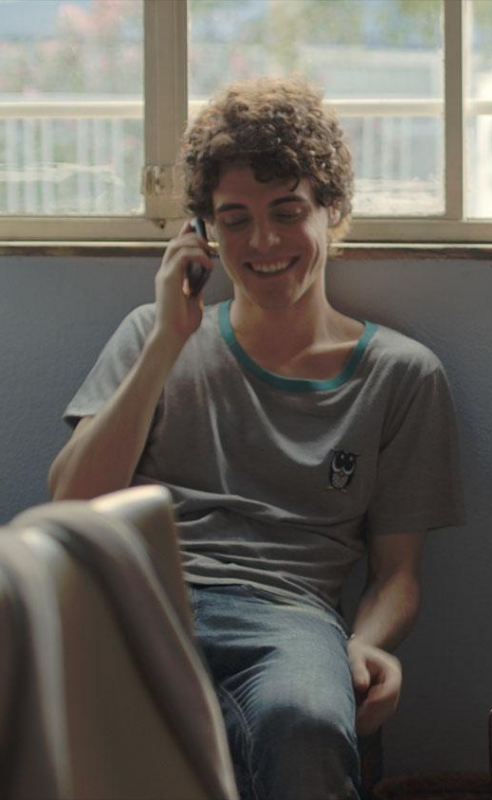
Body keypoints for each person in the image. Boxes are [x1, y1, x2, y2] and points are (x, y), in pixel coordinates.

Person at [48, 77, 464, 799]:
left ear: (332, 212)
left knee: (304, 721)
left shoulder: (403, 374)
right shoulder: (152, 336)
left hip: (288, 619)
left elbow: (398, 573)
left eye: (287, 212)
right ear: (203, 233)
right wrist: (166, 343)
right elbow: (71, 504)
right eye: (234, 219)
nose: (263, 242)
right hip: (139, 598)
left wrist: (365, 648)